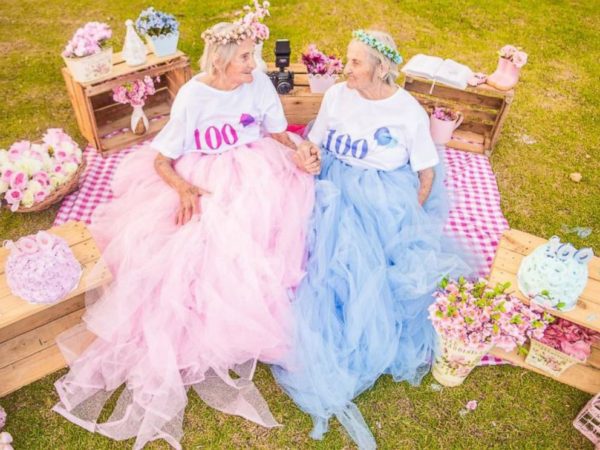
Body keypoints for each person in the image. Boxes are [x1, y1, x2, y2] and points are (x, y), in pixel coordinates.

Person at [53, 20, 316, 450]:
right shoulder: (194, 95)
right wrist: (182, 188)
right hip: (204, 173)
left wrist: (298, 149)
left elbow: (276, 131)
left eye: (254, 55)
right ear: (222, 61)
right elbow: (161, 159)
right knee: (191, 244)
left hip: (256, 169)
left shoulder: (260, 84)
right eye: (247, 57)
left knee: (266, 225)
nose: (256, 63)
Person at [272, 29, 480, 449]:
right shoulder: (337, 96)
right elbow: (315, 142)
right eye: (347, 61)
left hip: (381, 193)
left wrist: (409, 219)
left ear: (381, 69)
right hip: (333, 179)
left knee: (361, 262)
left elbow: (426, 173)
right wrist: (310, 157)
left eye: (355, 63)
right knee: (304, 243)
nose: (345, 69)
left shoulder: (407, 112)